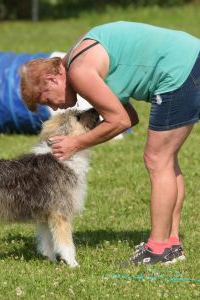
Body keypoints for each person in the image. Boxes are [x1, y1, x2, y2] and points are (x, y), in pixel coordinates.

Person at [19, 21, 200, 265]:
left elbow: (120, 121)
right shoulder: (79, 59)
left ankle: (158, 249)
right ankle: (170, 243)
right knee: (166, 159)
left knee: (158, 159)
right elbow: (131, 117)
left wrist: (76, 143)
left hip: (180, 70)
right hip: (190, 58)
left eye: (47, 100)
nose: (53, 107)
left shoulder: (79, 71)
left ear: (52, 80)